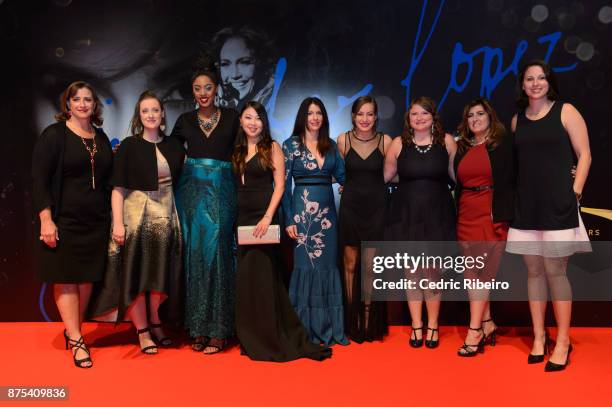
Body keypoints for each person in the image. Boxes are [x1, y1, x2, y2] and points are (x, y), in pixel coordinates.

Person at [506, 60, 591, 371]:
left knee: (556, 272)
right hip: (527, 207)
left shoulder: (566, 111)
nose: (536, 83)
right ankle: (539, 337)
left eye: (541, 78)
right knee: (534, 273)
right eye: (530, 78)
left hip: (559, 205)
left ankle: (564, 341)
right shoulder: (517, 121)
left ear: (549, 82)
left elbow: (585, 155)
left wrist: (575, 192)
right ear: (523, 84)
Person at [233, 101, 332, 361]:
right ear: (241, 121)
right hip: (242, 219)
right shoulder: (237, 150)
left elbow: (280, 187)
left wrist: (268, 217)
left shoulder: (272, 147)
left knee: (265, 279)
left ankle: (270, 336)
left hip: (264, 219)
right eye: (248, 117)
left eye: (257, 118)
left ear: (264, 122)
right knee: (247, 280)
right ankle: (251, 336)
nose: (253, 122)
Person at [89, 91, 185, 354]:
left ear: (163, 113)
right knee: (135, 276)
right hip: (135, 218)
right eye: (145, 111)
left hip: (167, 219)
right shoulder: (130, 146)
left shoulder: (175, 146)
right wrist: (118, 224)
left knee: (159, 277)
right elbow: (118, 189)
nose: (151, 115)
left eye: (155, 110)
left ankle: (156, 321)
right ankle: (142, 331)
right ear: (139, 116)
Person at [32, 81, 113, 368]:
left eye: (87, 99)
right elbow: (39, 180)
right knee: (66, 279)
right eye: (76, 99)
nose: (82, 104)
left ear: (94, 105)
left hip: (96, 222)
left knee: (87, 278)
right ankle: (78, 339)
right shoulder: (54, 135)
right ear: (67, 104)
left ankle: (73, 330)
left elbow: (107, 182)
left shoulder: (100, 138)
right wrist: (46, 220)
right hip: (63, 222)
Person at [171, 56, 239, 354]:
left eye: (208, 87)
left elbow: (247, 150)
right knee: (196, 256)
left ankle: (219, 329)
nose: (202, 93)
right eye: (197, 88)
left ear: (216, 89)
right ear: (192, 91)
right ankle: (198, 328)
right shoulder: (184, 121)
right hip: (191, 195)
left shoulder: (234, 117)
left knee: (219, 254)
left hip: (223, 191)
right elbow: (167, 152)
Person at [383, 96, 457, 349]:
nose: (419, 118)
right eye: (414, 114)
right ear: (408, 119)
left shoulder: (446, 142)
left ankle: (433, 326)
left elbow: (458, 176)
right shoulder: (397, 143)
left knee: (432, 274)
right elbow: (386, 176)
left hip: (438, 214)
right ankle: (417, 327)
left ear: (433, 117)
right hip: (406, 214)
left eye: (425, 114)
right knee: (412, 273)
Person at [281, 97, 349, 346]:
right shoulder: (290, 146)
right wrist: (289, 219)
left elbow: (343, 176)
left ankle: (330, 327)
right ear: (302, 116)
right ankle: (304, 329)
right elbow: (283, 186)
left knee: (327, 267)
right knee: (306, 268)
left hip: (328, 218)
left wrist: (347, 185)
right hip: (301, 214)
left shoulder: (330, 146)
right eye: (310, 113)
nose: (315, 117)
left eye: (319, 112)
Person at [453, 98, 514, 356]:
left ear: (490, 117)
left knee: (482, 275)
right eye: (470, 115)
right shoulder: (462, 147)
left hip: (491, 214)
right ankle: (487, 322)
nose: (475, 119)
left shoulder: (502, 145)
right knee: (470, 274)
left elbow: (518, 177)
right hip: (466, 212)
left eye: (480, 114)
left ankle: (474, 329)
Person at [337, 96, 391, 343]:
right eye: (361, 114)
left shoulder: (386, 141)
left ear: (376, 117)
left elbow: (393, 174)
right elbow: (338, 174)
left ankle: (369, 319)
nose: (365, 119)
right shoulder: (343, 140)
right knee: (349, 264)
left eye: (370, 114)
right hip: (350, 208)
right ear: (353, 117)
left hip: (377, 209)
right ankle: (352, 319)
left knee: (370, 265)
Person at [210, 26, 276, 111]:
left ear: (261, 63)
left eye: (245, 62)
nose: (234, 75)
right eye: (225, 64)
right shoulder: (212, 101)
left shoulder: (278, 101)